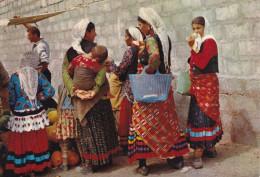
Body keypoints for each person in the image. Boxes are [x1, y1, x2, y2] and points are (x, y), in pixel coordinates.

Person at [125, 8, 190, 176]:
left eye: (141, 25)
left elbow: (154, 59)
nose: (141, 29)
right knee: (168, 124)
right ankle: (176, 158)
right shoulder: (164, 37)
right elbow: (164, 60)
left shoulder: (151, 39)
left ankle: (143, 164)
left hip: (148, 89)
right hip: (164, 88)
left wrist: (147, 72)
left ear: (148, 24)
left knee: (141, 123)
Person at [62, 19, 120, 173]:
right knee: (102, 127)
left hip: (81, 98)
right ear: (86, 33)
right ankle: (104, 160)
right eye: (93, 31)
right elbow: (102, 70)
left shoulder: (70, 52)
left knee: (87, 129)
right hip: (98, 96)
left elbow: (65, 73)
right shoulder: (96, 50)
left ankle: (90, 164)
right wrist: (94, 90)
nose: (95, 34)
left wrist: (75, 90)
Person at [5, 51, 55, 177]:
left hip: (20, 114)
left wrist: (14, 106)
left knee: (23, 141)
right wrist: (40, 97)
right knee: (36, 139)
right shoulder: (38, 75)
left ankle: (24, 167)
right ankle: (38, 166)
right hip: (36, 112)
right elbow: (50, 91)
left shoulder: (15, 76)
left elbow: (11, 97)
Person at [186, 16, 223, 169]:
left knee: (202, 116)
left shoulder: (209, 42)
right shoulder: (200, 42)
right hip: (198, 86)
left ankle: (198, 153)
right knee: (201, 115)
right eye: (194, 29)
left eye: (199, 28)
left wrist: (192, 47)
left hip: (207, 86)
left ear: (205, 28)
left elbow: (201, 62)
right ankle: (210, 148)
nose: (196, 31)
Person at [106, 27, 143, 154]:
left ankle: (128, 146)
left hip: (130, 88)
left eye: (126, 36)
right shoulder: (142, 49)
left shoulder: (130, 51)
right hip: (141, 86)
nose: (124, 39)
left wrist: (110, 63)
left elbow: (120, 70)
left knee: (128, 116)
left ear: (132, 37)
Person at [23, 23, 57, 110]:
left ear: (35, 35)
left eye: (29, 35)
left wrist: (39, 74)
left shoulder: (40, 46)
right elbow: (35, 30)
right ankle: (49, 112)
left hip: (43, 73)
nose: (28, 37)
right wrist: (25, 23)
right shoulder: (40, 42)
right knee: (42, 96)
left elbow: (45, 62)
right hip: (41, 73)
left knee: (43, 96)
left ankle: (56, 109)